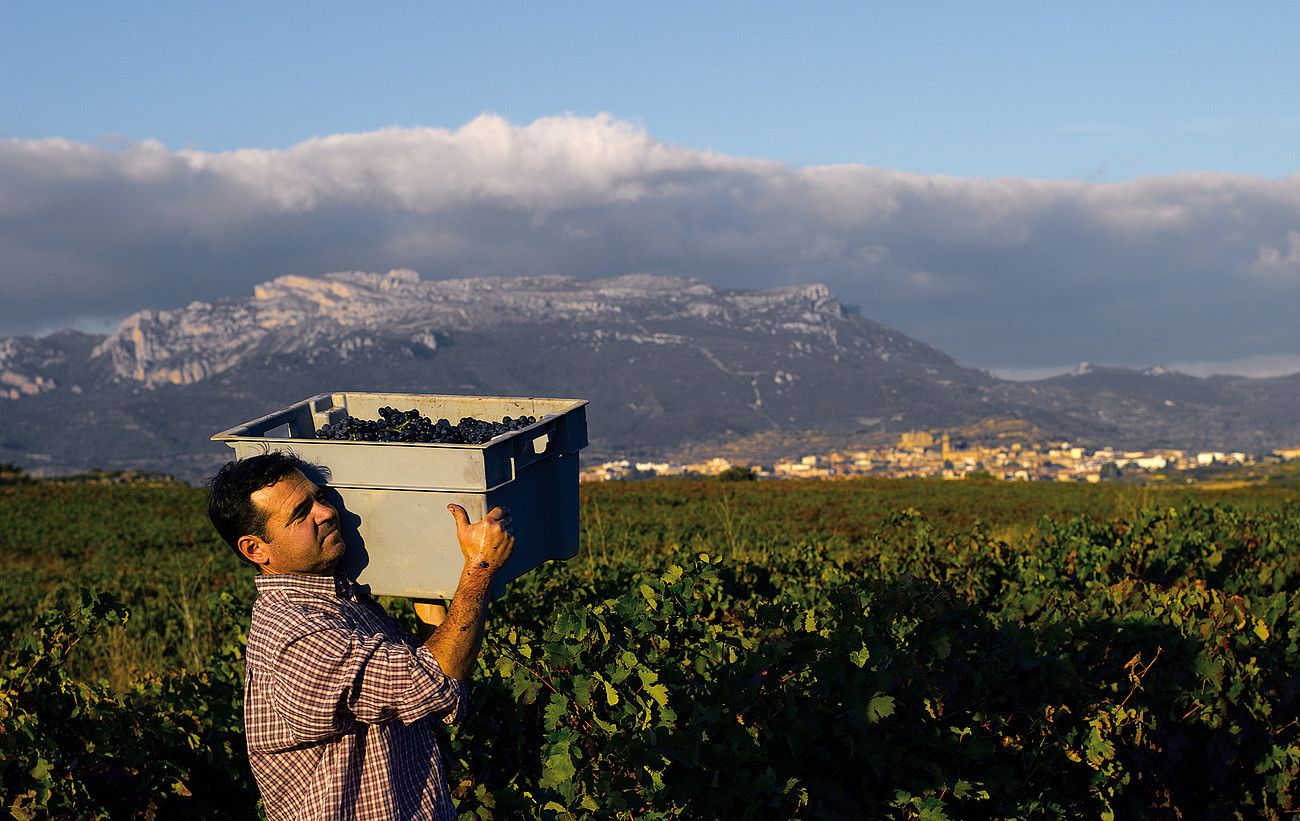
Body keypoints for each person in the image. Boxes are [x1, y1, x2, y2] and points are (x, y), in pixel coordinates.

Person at [205, 450, 514, 820]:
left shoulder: (343, 601)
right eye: (301, 514)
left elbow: (439, 699)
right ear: (255, 549)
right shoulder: (295, 635)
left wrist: (425, 571)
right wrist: (479, 567)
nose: (327, 512)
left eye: (319, 497)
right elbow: (432, 680)